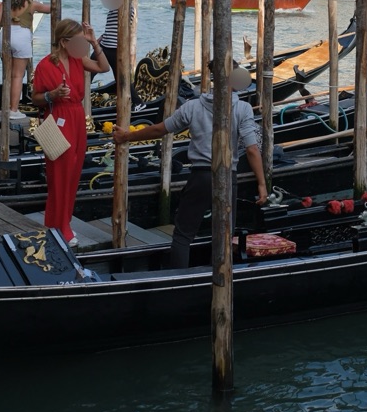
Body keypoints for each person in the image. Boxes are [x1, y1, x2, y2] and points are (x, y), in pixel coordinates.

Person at [114, 65, 268, 268]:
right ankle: (221, 278)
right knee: (223, 234)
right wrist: (262, 184)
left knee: (183, 234)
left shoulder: (193, 106)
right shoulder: (243, 109)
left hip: (200, 177)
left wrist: (127, 137)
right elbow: (252, 150)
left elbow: (160, 129)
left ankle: (180, 279)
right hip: (227, 177)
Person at [31, 19, 109, 247]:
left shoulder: (79, 59)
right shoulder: (45, 65)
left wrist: (95, 42)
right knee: (59, 174)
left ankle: (63, 222)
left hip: (76, 117)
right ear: (65, 42)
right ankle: (58, 225)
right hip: (58, 118)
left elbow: (104, 68)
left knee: (74, 173)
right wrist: (52, 95)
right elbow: (36, 98)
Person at [0, 0, 50, 120]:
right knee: (18, 75)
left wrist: (10, 19)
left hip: (6, 36)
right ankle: (13, 109)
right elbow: (51, 9)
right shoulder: (32, 4)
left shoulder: (5, 3)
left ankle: (6, 108)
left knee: (8, 74)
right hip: (22, 37)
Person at [96, 0, 135, 89]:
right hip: (104, 46)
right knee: (88, 71)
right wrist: (102, 36)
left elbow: (124, 27)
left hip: (115, 48)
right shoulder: (114, 8)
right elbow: (113, 26)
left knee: (121, 79)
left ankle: (137, 103)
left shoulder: (125, 6)